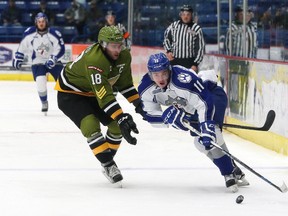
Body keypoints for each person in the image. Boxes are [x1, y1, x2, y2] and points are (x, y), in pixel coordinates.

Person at [138, 53, 249, 192]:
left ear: (169, 71)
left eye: (164, 73)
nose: (160, 79)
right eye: (156, 75)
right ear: (150, 74)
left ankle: (228, 173)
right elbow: (149, 115)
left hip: (212, 96)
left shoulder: (182, 80)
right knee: (200, 143)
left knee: (210, 135)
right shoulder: (145, 89)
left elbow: (204, 102)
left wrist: (207, 126)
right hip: (192, 108)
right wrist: (166, 117)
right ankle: (233, 170)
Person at [55, 26, 145, 184]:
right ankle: (109, 165)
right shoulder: (94, 60)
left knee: (117, 126)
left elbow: (124, 84)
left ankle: (106, 159)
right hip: (71, 93)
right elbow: (104, 95)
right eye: (113, 46)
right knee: (90, 124)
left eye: (120, 45)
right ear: (103, 45)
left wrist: (139, 105)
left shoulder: (124, 56)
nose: (118, 50)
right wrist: (121, 117)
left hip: (94, 92)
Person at [12, 12, 65, 115]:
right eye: (39, 22)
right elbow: (22, 47)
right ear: (36, 22)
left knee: (63, 83)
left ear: (46, 22)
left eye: (43, 21)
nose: (41, 24)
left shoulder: (54, 33)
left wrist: (53, 58)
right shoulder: (29, 33)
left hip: (53, 62)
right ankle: (44, 102)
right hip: (37, 62)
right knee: (40, 83)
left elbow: (61, 49)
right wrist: (18, 57)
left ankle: (68, 103)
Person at [163, 5, 205, 72]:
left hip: (190, 63)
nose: (185, 17)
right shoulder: (174, 26)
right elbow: (166, 39)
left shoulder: (196, 28)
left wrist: (195, 64)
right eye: (183, 14)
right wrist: (168, 51)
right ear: (180, 15)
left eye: (188, 14)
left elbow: (200, 48)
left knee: (189, 82)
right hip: (175, 62)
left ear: (191, 15)